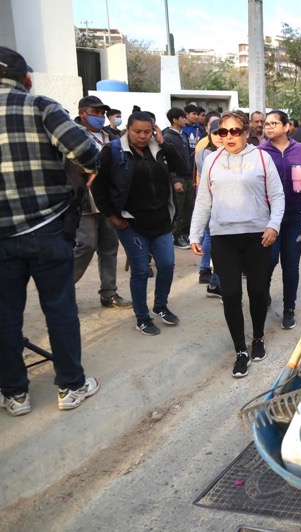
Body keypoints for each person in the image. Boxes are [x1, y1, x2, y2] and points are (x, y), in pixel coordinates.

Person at [0, 46, 100, 416]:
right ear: (26, 78)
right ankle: (71, 386)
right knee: (58, 309)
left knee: (5, 317)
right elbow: (86, 152)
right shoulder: (39, 105)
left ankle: (15, 394)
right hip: (46, 228)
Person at [190, 110, 285, 378]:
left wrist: (273, 226)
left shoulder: (262, 159)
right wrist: (195, 233)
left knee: (257, 291)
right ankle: (240, 350)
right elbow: (203, 200)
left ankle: (257, 338)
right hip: (223, 238)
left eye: (234, 131)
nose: (228, 136)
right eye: (223, 131)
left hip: (257, 236)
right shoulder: (211, 161)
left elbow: (277, 196)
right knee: (230, 294)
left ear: (246, 133)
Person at [91, 110, 188, 336]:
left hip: (161, 220)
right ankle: (142, 317)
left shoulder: (158, 150)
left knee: (166, 264)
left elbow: (182, 169)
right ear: (128, 129)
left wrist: (164, 144)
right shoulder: (113, 151)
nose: (143, 136)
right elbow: (98, 187)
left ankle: (160, 305)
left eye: (147, 131)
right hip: (131, 223)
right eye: (137, 132)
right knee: (141, 270)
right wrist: (113, 216)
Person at [71, 95, 132, 310]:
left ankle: (109, 293)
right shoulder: (71, 134)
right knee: (86, 244)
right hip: (84, 199)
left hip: (108, 200)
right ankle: (63, 288)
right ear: (82, 113)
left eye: (101, 113)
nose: (98, 116)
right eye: (94, 112)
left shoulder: (111, 135)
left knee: (109, 246)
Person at [259, 110, 301, 329]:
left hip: (296, 215)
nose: (269, 127)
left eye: (274, 123)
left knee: (291, 266)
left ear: (286, 127)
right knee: (269, 261)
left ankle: (289, 309)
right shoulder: (261, 152)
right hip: (269, 217)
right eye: (267, 124)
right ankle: (263, 297)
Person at [195, 116, 223, 291]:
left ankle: (212, 279)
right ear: (209, 133)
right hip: (210, 201)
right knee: (213, 239)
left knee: (212, 238)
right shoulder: (206, 153)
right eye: (216, 133)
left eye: (223, 132)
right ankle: (207, 272)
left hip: (218, 202)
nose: (220, 136)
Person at [162, 107, 195, 250]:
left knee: (189, 207)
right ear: (175, 120)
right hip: (178, 178)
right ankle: (177, 235)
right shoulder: (167, 137)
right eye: (182, 117)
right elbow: (167, 161)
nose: (185, 120)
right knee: (179, 208)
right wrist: (174, 180)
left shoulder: (183, 136)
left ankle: (185, 233)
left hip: (187, 177)